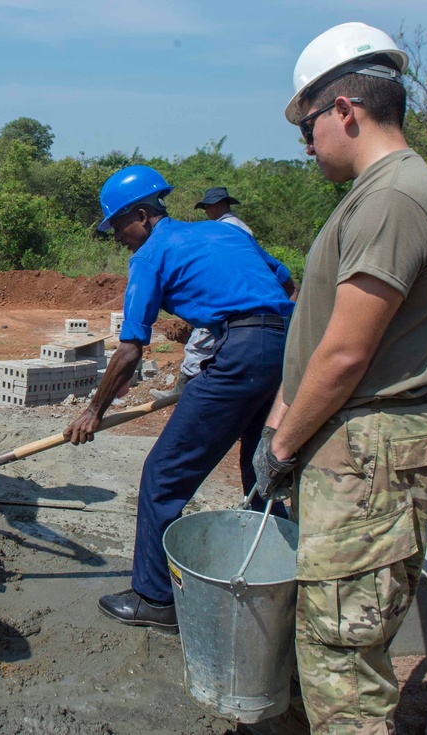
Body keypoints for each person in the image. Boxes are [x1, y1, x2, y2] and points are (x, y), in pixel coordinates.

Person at [251, 22, 427, 734]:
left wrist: (280, 446)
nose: (307, 145)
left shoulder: (395, 197)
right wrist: (282, 424)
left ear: (344, 109)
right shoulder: (376, 194)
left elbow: (345, 354)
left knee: (344, 663)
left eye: (308, 126)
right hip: (347, 446)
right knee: (322, 636)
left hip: (369, 449)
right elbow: (317, 340)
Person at [64, 165, 295, 632]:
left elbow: (130, 349)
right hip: (287, 348)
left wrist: (94, 410)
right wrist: (232, 348)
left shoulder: (151, 254)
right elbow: (284, 283)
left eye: (118, 229)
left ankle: (154, 599)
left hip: (243, 354)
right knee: (260, 470)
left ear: (143, 216)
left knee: (163, 473)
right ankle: (279, 579)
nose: (118, 240)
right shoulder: (222, 233)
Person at [154, 187, 297, 396]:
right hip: (247, 301)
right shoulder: (236, 226)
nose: (206, 213)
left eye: (207, 208)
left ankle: (183, 393)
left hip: (231, 301)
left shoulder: (227, 228)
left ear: (217, 205)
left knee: (199, 345)